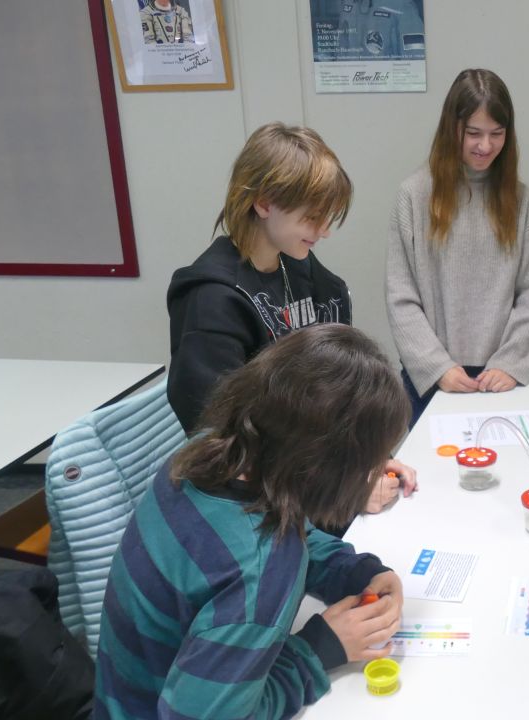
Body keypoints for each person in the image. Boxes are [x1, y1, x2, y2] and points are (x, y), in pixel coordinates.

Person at [95, 324, 409, 719]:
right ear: (330, 467)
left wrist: (352, 572)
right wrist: (320, 650)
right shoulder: (263, 569)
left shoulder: (209, 452)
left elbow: (280, 527)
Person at [168, 123, 414, 513]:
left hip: (310, 481)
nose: (324, 231)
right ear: (264, 202)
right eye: (312, 217)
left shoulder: (303, 272)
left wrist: (365, 462)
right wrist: (343, 492)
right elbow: (223, 445)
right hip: (260, 506)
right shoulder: (211, 300)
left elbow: (337, 397)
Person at [386, 68, 529, 426]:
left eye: (497, 134)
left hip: (499, 378)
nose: (485, 146)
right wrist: (437, 366)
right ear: (451, 128)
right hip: (431, 379)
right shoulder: (414, 195)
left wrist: (510, 363)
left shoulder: (520, 200)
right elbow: (401, 297)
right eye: (473, 133)